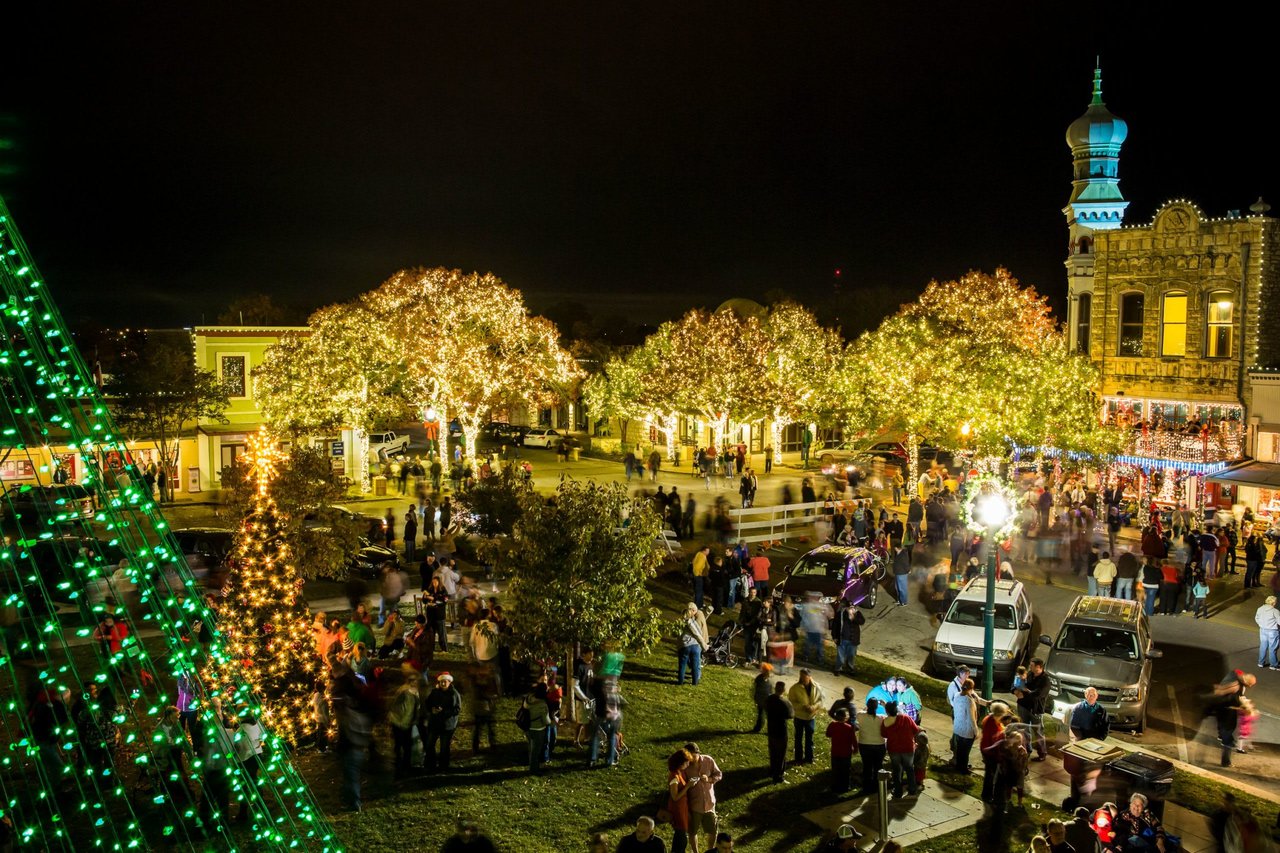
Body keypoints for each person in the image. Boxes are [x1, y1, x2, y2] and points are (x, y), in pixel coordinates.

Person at [683, 742, 722, 853]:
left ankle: (710, 851)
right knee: (692, 831)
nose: (691, 760)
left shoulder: (708, 760)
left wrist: (709, 779)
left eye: (693, 756)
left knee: (713, 831)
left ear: (698, 753)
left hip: (709, 804)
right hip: (695, 805)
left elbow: (718, 774)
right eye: (688, 757)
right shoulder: (685, 766)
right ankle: (695, 852)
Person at [423, 671, 461, 772]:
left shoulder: (454, 694)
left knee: (444, 747)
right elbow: (428, 703)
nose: (443, 684)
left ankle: (443, 766)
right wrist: (432, 709)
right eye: (441, 682)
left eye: (445, 681)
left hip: (447, 725)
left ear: (449, 682)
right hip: (434, 724)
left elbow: (457, 709)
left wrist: (443, 712)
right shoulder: (434, 692)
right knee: (430, 744)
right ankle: (430, 765)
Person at [883, 701, 921, 798]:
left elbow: (883, 734)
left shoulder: (886, 722)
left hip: (894, 749)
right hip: (908, 747)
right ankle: (912, 789)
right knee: (909, 768)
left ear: (887, 712)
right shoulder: (906, 718)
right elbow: (916, 730)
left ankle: (898, 791)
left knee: (897, 770)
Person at [1013, 658, 1049, 760]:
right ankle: (1027, 750)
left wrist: (1025, 691)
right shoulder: (1029, 674)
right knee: (1024, 730)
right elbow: (1017, 683)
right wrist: (1014, 691)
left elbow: (1039, 694)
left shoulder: (1045, 680)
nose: (1030, 667)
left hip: (1035, 710)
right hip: (1023, 706)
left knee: (1038, 732)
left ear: (1039, 667)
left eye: (1032, 666)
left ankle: (1042, 754)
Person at [788, 669, 825, 765]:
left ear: (809, 677)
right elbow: (791, 703)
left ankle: (809, 758)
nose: (802, 678)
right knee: (798, 738)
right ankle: (798, 758)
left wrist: (813, 707)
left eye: (804, 677)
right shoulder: (795, 688)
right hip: (799, 717)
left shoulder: (817, 686)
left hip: (810, 718)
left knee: (809, 739)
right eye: (801, 676)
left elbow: (821, 700)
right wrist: (803, 707)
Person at [665, 748, 698, 853]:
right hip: (677, 808)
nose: (688, 764)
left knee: (681, 833)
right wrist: (688, 786)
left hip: (682, 806)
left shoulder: (680, 773)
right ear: (680, 763)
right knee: (681, 833)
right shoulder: (674, 776)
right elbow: (675, 797)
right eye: (686, 762)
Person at [764, 680, 793, 783]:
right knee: (781, 754)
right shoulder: (784, 703)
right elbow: (790, 715)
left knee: (773, 751)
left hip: (771, 729)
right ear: (784, 690)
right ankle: (778, 776)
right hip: (781, 731)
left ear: (775, 688)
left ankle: (772, 770)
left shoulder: (769, 699)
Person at [979, 700, 1008, 803]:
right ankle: (987, 795)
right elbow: (995, 740)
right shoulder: (992, 724)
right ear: (1000, 714)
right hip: (989, 752)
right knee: (990, 774)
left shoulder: (990, 718)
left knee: (990, 772)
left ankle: (987, 793)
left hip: (986, 748)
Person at [857, 698, 886, 794]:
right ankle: (878, 786)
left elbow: (862, 711)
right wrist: (885, 706)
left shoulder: (860, 715)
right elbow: (892, 716)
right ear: (877, 707)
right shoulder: (881, 718)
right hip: (879, 745)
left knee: (867, 766)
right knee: (878, 766)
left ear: (867, 705)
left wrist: (866, 708)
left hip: (864, 744)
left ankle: (866, 787)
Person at [824, 707, 856, 794]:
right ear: (845, 717)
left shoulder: (832, 725)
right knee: (846, 770)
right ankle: (845, 786)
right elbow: (853, 740)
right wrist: (855, 748)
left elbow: (828, 734)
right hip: (846, 753)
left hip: (835, 752)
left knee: (835, 770)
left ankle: (835, 785)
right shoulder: (849, 727)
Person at [523, 682, 552, 773]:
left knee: (530, 747)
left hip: (527, 727)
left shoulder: (529, 698)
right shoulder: (542, 705)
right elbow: (546, 721)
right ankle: (534, 769)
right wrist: (551, 722)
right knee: (536, 751)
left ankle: (531, 764)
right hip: (538, 729)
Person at [677, 602, 709, 686]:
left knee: (682, 665)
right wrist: (704, 645)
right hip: (695, 646)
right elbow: (698, 634)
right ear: (693, 611)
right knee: (695, 665)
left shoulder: (681, 620)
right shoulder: (691, 621)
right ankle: (695, 683)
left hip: (684, 646)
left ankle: (680, 682)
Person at [951, 678, 978, 773]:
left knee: (959, 749)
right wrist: (976, 731)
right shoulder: (969, 701)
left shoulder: (957, 695)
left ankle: (959, 765)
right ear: (971, 688)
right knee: (965, 751)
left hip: (958, 727)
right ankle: (963, 769)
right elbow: (971, 718)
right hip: (967, 730)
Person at [799, 592, 833, 667]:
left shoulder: (822, 606)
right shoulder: (807, 606)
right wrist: (803, 627)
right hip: (810, 630)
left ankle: (819, 659)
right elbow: (803, 617)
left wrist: (825, 628)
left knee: (819, 647)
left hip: (819, 630)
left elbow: (830, 615)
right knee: (808, 645)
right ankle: (806, 657)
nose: (813, 598)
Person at [1255, 595, 1279, 669]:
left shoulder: (1260, 609)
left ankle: (1260, 663)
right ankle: (1273, 665)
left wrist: (1261, 624)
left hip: (1262, 630)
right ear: (1273, 603)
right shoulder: (1275, 611)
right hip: (1273, 631)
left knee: (1263, 646)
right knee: (1272, 648)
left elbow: (1257, 618)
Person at [750, 663, 773, 733]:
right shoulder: (759, 679)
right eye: (768, 671)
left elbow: (771, 689)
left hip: (768, 700)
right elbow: (754, 689)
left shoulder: (769, 679)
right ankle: (758, 728)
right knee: (761, 715)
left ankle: (770, 730)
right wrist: (755, 698)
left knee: (769, 716)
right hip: (761, 700)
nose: (769, 673)